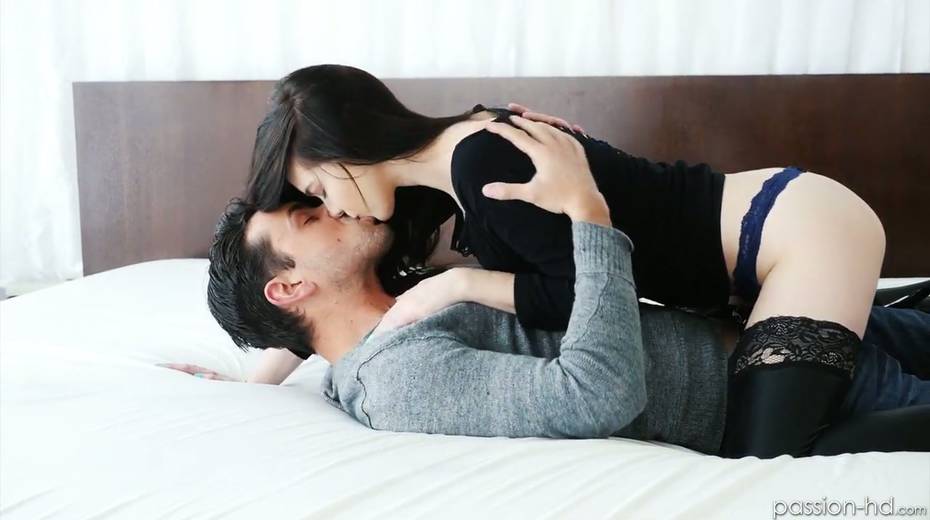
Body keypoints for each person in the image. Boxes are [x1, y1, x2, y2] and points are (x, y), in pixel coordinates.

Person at [166, 120, 929, 457]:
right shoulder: (395, 379)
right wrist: (589, 216)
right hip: (786, 386)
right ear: (290, 287)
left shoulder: (403, 310)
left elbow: (314, 334)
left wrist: (253, 380)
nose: (333, 207)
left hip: (792, 318)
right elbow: (598, 394)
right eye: (307, 215)